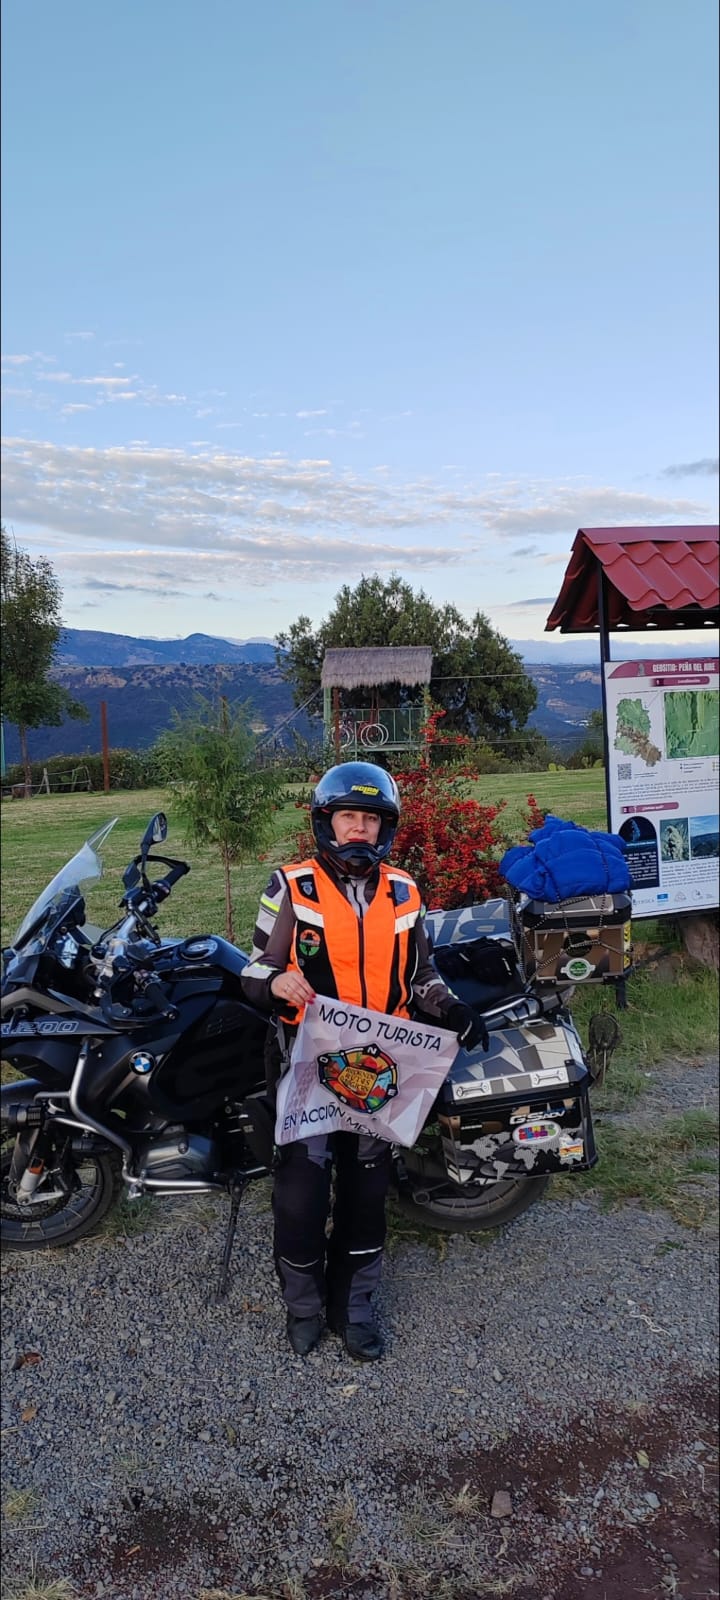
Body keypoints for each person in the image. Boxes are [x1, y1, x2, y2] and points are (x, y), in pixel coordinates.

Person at [241, 761, 487, 1361]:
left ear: (385, 828)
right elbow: (253, 969)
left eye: (371, 819)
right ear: (326, 821)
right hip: (307, 1069)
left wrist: (453, 1008)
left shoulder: (405, 892)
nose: (359, 828)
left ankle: (353, 1309)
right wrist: (275, 983)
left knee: (366, 1195)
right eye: (348, 816)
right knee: (300, 1198)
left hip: (381, 1071)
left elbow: (423, 976)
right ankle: (303, 1307)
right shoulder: (291, 885)